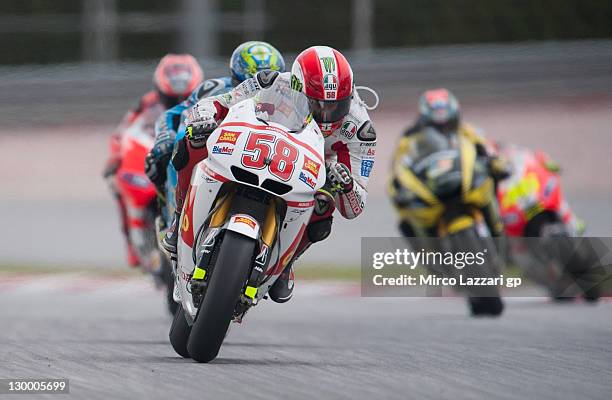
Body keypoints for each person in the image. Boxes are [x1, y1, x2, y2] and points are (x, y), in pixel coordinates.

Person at [165, 45, 378, 303]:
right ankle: (179, 218)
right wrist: (205, 118)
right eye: (317, 104)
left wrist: (344, 184)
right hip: (262, 149)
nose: (325, 114)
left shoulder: (360, 130)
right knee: (192, 142)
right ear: (298, 88)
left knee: (325, 206)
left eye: (336, 106)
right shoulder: (271, 83)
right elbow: (221, 103)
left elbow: (355, 207)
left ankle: (286, 262)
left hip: (312, 171)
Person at [144, 41, 286, 198]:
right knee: (162, 156)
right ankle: (174, 207)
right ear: (238, 74)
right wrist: (165, 137)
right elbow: (174, 114)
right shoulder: (213, 87)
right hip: (215, 148)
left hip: (261, 154)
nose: (259, 83)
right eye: (254, 76)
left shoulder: (287, 98)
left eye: (268, 76)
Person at [104, 54, 203, 266]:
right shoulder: (146, 104)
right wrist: (116, 157)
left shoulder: (206, 99)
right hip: (156, 154)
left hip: (189, 155)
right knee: (116, 184)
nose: (178, 103)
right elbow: (122, 132)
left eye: (184, 97)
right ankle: (131, 242)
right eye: (171, 99)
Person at [388, 88, 509, 238]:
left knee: (493, 183)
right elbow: (398, 166)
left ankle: (499, 231)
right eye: (436, 117)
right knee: (405, 223)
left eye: (445, 115)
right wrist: (398, 190)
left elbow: (487, 147)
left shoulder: (466, 130)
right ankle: (428, 255)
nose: (441, 123)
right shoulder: (410, 138)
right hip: (433, 189)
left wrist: (496, 161)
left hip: (466, 183)